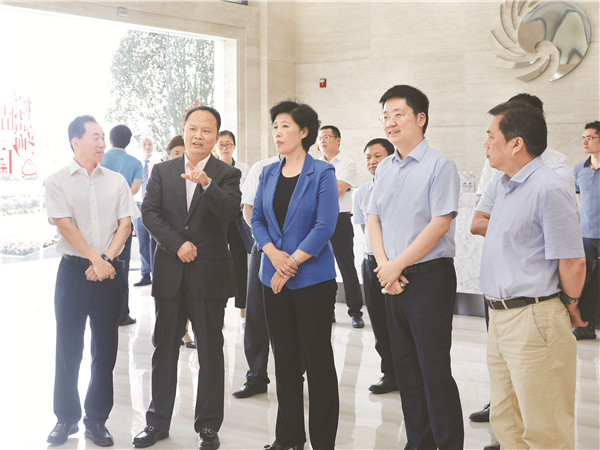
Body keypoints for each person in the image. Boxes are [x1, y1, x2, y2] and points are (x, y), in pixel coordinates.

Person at [469, 93, 582, 428]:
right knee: (507, 421)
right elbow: (479, 224)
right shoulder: (504, 185)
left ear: (516, 143)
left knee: (544, 426)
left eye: (491, 135)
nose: (486, 143)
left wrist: (569, 305)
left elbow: (572, 261)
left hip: (533, 317)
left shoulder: (550, 187)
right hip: (499, 315)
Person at [132, 106, 241, 450]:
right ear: (184, 128)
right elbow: (149, 212)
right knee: (164, 349)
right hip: (171, 272)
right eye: (193, 129)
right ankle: (156, 422)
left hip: (209, 276)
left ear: (216, 137)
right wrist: (177, 244)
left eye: (206, 131)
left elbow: (230, 213)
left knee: (210, 352)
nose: (198, 136)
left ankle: (208, 426)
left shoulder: (227, 174)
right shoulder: (162, 171)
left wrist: (206, 183)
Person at [367, 85, 464, 449]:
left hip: (429, 279)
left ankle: (448, 444)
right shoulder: (385, 167)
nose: (390, 123)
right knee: (406, 369)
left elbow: (440, 223)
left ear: (420, 118)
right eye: (385, 117)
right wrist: (385, 267)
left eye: (398, 115)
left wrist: (397, 265)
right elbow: (373, 218)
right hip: (392, 280)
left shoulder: (440, 164)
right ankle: (418, 443)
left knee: (433, 370)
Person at [45, 115, 139, 447]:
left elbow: (125, 225)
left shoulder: (116, 180)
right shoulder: (56, 180)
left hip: (109, 273)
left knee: (105, 348)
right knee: (68, 348)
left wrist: (106, 260)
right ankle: (65, 418)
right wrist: (96, 260)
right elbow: (64, 225)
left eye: (102, 137)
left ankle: (97, 420)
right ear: (76, 142)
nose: (102, 143)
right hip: (73, 272)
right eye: (95, 137)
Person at [252, 100, 339, 449]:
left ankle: (323, 441)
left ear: (304, 132)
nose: (277, 132)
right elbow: (257, 218)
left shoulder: (322, 173)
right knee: (285, 360)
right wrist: (274, 255)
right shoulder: (268, 173)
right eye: (275, 126)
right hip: (272, 278)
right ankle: (288, 437)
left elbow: (325, 225)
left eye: (285, 126)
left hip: (312, 280)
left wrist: (291, 263)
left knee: (318, 362)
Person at [232, 153, 281, 399]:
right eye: (276, 132)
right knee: (256, 315)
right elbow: (248, 209)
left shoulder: (316, 169)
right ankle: (256, 377)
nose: (279, 135)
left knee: (293, 319)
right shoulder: (261, 167)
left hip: (297, 253)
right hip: (263, 248)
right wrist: (267, 243)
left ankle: (293, 375)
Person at [353, 138, 398, 394]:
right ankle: (389, 373)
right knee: (379, 322)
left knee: (399, 321)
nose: (372, 162)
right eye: (368, 157)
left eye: (377, 156)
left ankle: (407, 372)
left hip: (396, 264)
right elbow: (365, 229)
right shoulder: (361, 192)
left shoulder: (399, 189)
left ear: (391, 158)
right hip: (370, 264)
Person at [318, 125, 364, 327]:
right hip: (318, 221)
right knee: (322, 267)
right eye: (320, 138)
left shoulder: (348, 164)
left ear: (338, 140)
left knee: (346, 266)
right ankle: (327, 311)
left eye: (327, 137)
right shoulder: (313, 164)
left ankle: (356, 312)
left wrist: (318, 189)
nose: (322, 141)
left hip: (340, 220)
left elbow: (336, 190)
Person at [100, 124, 143, 326]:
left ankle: (101, 313)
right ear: (129, 141)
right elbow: (134, 189)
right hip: (122, 221)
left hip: (100, 220)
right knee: (121, 269)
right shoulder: (135, 163)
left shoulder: (100, 159)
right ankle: (122, 314)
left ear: (110, 139)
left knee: (99, 262)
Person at [216, 130, 250, 315]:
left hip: (237, 220)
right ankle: (218, 309)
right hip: (217, 221)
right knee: (218, 264)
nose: (225, 148)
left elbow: (247, 193)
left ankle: (243, 308)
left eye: (228, 144)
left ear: (234, 146)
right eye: (221, 144)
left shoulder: (243, 168)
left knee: (239, 264)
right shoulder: (211, 168)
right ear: (216, 146)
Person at [573, 120, 600, 339]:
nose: (584, 142)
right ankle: (586, 326)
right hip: (586, 236)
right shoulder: (578, 170)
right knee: (586, 282)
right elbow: (580, 201)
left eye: (589, 138)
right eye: (583, 138)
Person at [133, 136, 157, 287]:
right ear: (139, 146)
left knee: (154, 241)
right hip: (138, 205)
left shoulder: (159, 163)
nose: (147, 147)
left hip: (153, 205)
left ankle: (156, 273)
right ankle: (145, 274)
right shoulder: (136, 164)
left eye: (150, 144)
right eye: (144, 144)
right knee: (142, 241)